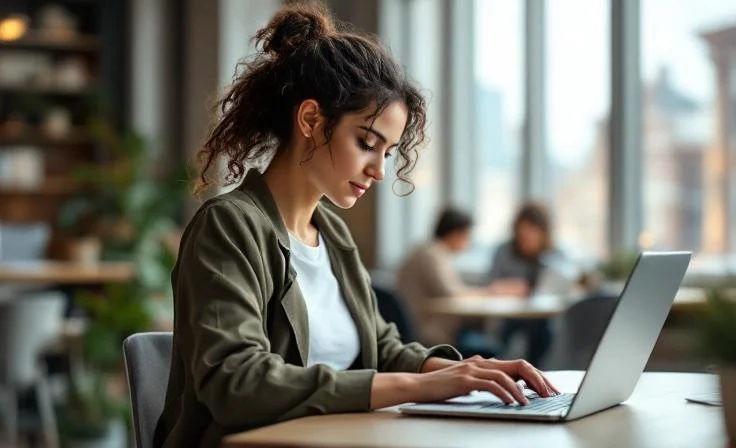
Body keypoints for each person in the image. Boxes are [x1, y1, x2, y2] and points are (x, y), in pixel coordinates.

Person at [154, 4, 557, 447]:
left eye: (387, 152)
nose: (379, 170)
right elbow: (237, 382)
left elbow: (381, 349)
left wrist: (468, 373)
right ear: (310, 120)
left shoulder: (333, 235)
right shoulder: (229, 227)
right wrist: (420, 388)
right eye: (367, 143)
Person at [395, 208, 525, 349]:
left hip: (425, 326)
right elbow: (453, 294)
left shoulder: (430, 252)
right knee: (492, 346)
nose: (469, 242)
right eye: (468, 235)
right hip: (428, 333)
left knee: (493, 335)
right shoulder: (431, 255)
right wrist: (493, 291)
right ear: (457, 234)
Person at [488, 201, 561, 366]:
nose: (527, 240)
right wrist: (511, 288)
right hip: (510, 317)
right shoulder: (504, 252)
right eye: (523, 234)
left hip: (542, 318)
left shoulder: (553, 255)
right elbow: (491, 286)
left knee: (545, 331)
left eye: (533, 234)